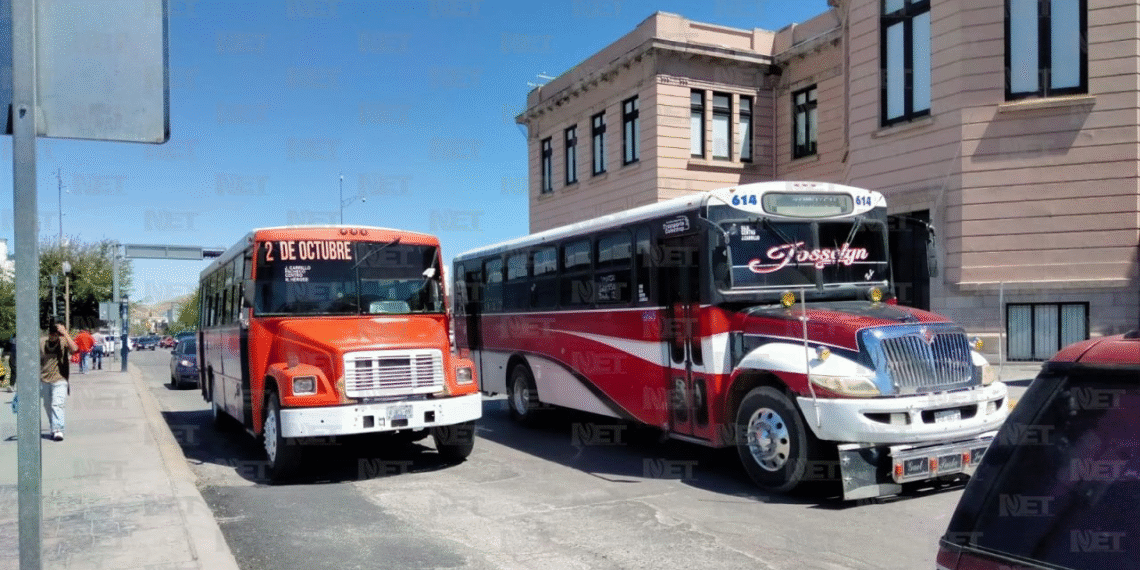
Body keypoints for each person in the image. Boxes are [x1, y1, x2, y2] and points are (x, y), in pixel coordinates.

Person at [41, 321, 78, 441]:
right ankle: (54, 427)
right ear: (49, 333)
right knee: (47, 405)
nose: (54, 337)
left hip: (60, 379)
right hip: (44, 379)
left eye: (56, 334)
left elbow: (75, 349)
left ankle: (58, 430)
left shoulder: (63, 341)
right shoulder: (42, 342)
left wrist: (65, 333)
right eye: (52, 334)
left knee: (57, 404)